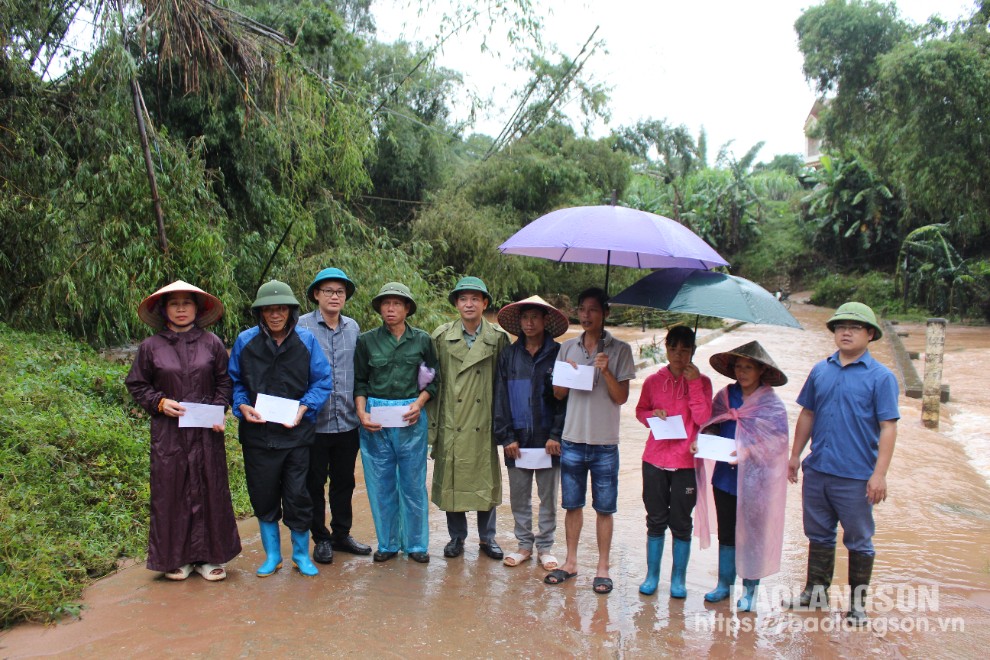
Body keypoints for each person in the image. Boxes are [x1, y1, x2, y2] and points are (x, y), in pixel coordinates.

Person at [788, 302, 899, 625]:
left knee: (858, 539)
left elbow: (888, 426)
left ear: (870, 334)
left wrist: (879, 475)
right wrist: (795, 455)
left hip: (856, 476)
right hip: (819, 469)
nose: (845, 332)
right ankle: (814, 595)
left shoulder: (881, 377)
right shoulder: (821, 370)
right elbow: (807, 413)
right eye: (840, 327)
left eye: (853, 327)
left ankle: (857, 606)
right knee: (819, 534)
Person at [125, 280, 241, 582]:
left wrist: (218, 410)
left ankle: (209, 557)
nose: (180, 309)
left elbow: (224, 382)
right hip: (169, 434)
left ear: (196, 308)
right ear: (164, 309)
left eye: (186, 303)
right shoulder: (151, 347)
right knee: (171, 491)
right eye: (174, 303)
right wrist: (160, 403)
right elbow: (137, 384)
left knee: (209, 488)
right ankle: (176, 558)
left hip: (206, 431)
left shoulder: (212, 343)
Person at [229, 280, 333, 578]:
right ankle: (272, 555)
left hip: (296, 436)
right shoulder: (245, 341)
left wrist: (305, 407)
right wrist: (241, 406)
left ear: (291, 311)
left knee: (298, 495)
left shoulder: (306, 341)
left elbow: (321, 381)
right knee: (263, 495)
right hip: (258, 437)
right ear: (260, 313)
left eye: (281, 309)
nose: (275, 315)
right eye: (269, 310)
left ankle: (300, 554)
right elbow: (235, 381)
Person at [545, 287, 635, 595]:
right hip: (571, 439)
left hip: (605, 442)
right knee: (572, 504)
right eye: (582, 309)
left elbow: (621, 397)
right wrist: (568, 377)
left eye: (593, 310)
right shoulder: (567, 348)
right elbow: (558, 394)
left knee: (605, 508)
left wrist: (606, 370)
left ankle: (603, 568)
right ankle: (570, 563)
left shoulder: (620, 350)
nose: (586, 315)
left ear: (605, 313)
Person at [696, 341, 789, 612]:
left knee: (752, 536)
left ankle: (750, 592)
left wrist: (749, 451)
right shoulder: (725, 396)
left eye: (748, 367)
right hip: (725, 478)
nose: (742, 371)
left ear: (761, 370)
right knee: (727, 534)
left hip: (756, 485)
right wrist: (702, 441)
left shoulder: (771, 404)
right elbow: (711, 426)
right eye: (738, 366)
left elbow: (778, 442)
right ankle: (724, 585)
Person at [354, 282, 438, 564]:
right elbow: (360, 382)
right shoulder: (367, 341)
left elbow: (433, 380)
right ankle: (388, 544)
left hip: (410, 416)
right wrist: (362, 414)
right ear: (379, 308)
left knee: (413, 483)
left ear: (407, 309)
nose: (390, 309)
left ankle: (416, 545)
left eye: (397, 304)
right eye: (385, 304)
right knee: (380, 483)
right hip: (376, 418)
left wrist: (420, 402)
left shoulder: (422, 340)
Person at [428, 276, 510, 561]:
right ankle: (456, 537)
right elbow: (431, 383)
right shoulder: (440, 336)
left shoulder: (498, 338)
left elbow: (504, 384)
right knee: (453, 478)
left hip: (482, 421)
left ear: (485, 303)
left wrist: (504, 426)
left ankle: (488, 539)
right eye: (463, 299)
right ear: (456, 304)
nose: (469, 303)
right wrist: (432, 427)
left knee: (484, 479)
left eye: (475, 298)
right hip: (453, 419)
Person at [297, 267, 371, 563]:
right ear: (316, 294)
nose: (334, 296)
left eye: (340, 292)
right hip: (313, 422)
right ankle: (321, 538)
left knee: (344, 481)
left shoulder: (353, 328)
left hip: (347, 421)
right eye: (328, 291)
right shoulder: (300, 327)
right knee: (313, 483)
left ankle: (341, 533)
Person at [634, 325, 713, 598]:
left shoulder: (703, 383)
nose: (678, 354)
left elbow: (704, 420)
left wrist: (693, 383)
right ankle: (652, 575)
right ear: (665, 348)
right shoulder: (653, 381)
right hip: (654, 459)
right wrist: (652, 415)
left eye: (685, 349)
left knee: (681, 522)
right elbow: (640, 411)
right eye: (673, 348)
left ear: (693, 350)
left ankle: (678, 579)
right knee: (655, 520)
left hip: (686, 463)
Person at [493, 295, 568, 570]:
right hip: (518, 439)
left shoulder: (560, 353)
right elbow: (500, 396)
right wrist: (506, 436)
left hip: (549, 439)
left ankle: (546, 546)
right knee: (519, 495)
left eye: (535, 317)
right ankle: (524, 544)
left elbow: (565, 399)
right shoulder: (509, 355)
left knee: (548, 496)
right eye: (525, 318)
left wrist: (557, 434)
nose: (529, 323)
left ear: (545, 320)